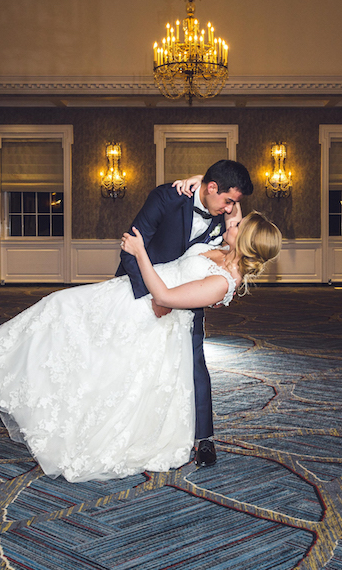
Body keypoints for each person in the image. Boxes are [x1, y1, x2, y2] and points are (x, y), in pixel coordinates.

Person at [0, 210, 281, 483]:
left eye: (237, 226)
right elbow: (228, 213)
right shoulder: (224, 252)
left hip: (150, 315)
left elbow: (166, 297)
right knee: (65, 316)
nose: (230, 224)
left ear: (245, 241)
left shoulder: (223, 281)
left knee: (81, 338)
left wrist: (140, 252)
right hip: (129, 293)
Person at [115, 160, 254, 468]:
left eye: (235, 204)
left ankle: (204, 439)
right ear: (212, 188)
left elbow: (236, 241)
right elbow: (132, 248)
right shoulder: (167, 197)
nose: (230, 208)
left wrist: (214, 291)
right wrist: (152, 300)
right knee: (131, 362)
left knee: (194, 363)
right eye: (228, 201)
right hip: (141, 290)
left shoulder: (224, 214)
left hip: (186, 302)